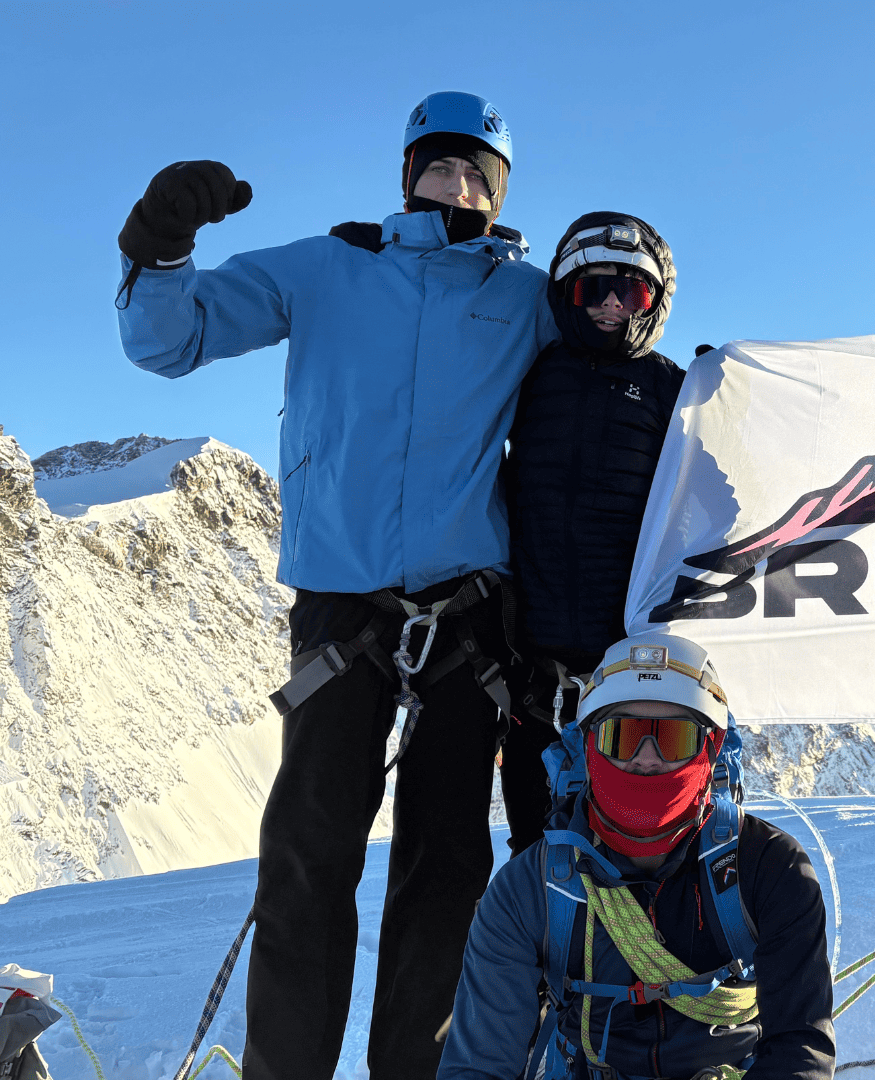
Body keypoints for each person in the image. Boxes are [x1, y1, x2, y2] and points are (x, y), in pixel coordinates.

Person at [114, 91, 555, 1079]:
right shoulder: (327, 270)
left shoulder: (523, 299)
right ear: (408, 176)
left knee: (445, 871)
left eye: (483, 173)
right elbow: (167, 341)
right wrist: (160, 244)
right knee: (308, 860)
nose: (462, 185)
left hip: (469, 620)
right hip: (340, 611)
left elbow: (592, 401)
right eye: (444, 167)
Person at [439, 632, 834, 1080]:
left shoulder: (770, 870)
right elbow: (478, 1067)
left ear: (710, 751)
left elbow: (799, 1053)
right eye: (623, 736)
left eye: (673, 737)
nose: (647, 760)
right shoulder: (528, 891)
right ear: (588, 748)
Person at [499, 213, 687, 855]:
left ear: (653, 302)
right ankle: (539, 955)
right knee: (535, 847)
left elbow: (718, 505)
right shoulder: (528, 372)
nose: (612, 303)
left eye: (631, 290)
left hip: (633, 673)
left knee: (633, 845)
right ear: (565, 293)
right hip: (530, 671)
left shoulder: (674, 390)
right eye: (594, 287)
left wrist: (729, 403)